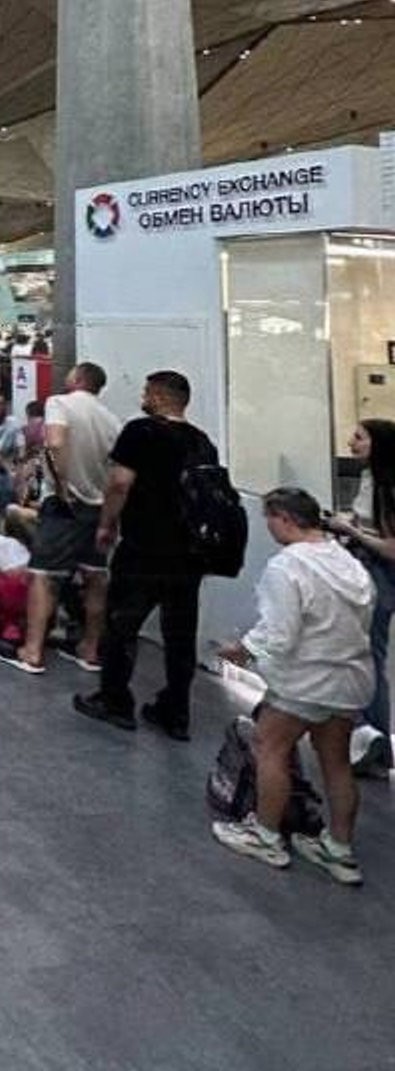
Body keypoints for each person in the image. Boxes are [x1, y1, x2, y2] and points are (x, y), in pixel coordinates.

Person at [212, 488, 371, 886]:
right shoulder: (348, 562)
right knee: (337, 762)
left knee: (271, 749)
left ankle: (265, 836)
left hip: (303, 681)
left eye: (270, 520)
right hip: (349, 678)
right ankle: (339, 848)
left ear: (284, 518)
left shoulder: (287, 566)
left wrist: (242, 651)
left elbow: (280, 633)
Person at [74, 371, 216, 737]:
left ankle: (115, 700)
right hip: (188, 554)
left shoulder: (141, 431)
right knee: (180, 635)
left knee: (122, 625)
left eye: (146, 392)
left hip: (144, 547)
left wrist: (107, 524)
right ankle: (176, 711)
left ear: (158, 396)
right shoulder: (202, 442)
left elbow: (120, 483)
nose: (143, 397)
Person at [0, 362, 121, 675]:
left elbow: (54, 442)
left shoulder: (59, 403)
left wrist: (63, 485)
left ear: (78, 378)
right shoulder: (111, 420)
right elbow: (115, 472)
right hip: (98, 507)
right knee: (95, 577)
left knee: (44, 576)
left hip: (65, 507)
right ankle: (90, 649)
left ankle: (32, 651)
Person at [326, 418, 395, 767]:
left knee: (368, 656)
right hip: (364, 568)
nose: (351, 443)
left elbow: (391, 548)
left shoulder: (387, 487)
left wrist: (351, 532)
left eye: (359, 438)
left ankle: (373, 739)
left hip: (379, 574)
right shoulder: (369, 479)